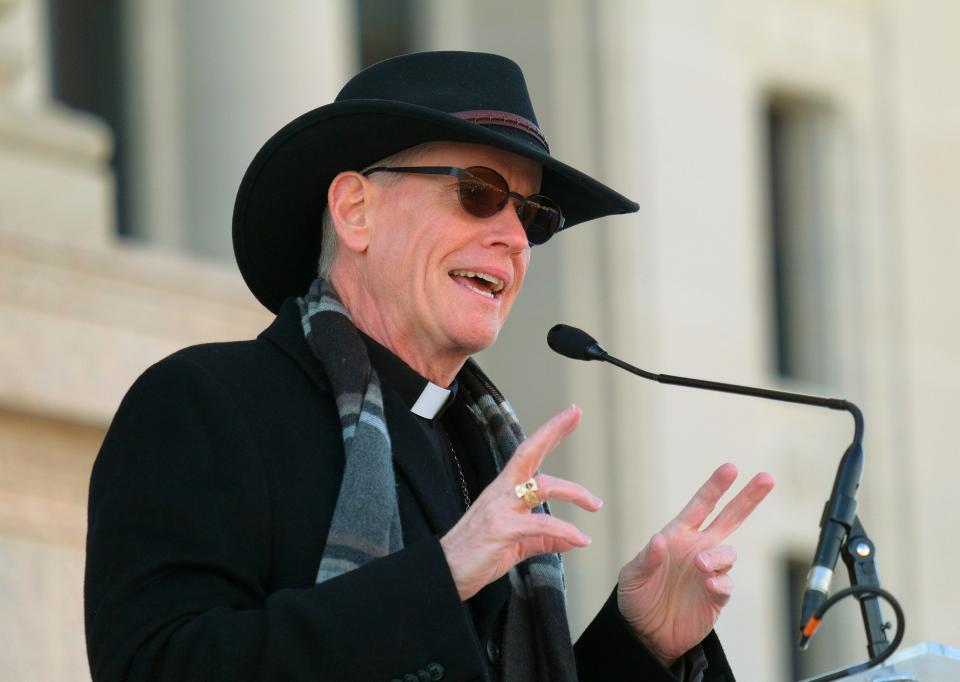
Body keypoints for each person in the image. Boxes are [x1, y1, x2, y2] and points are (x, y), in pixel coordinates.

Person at [84, 51, 774, 681]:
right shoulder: (207, 403)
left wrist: (641, 642)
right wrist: (439, 578)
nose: (511, 236)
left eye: (532, 213)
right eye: (477, 191)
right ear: (356, 211)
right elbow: (154, 666)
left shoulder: (479, 445)